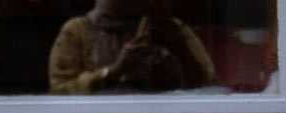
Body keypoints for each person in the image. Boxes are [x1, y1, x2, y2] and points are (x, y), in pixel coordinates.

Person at [48, 0, 216, 93]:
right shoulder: (77, 30)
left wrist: (177, 49)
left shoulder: (168, 28)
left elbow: (207, 83)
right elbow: (60, 92)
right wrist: (113, 72)